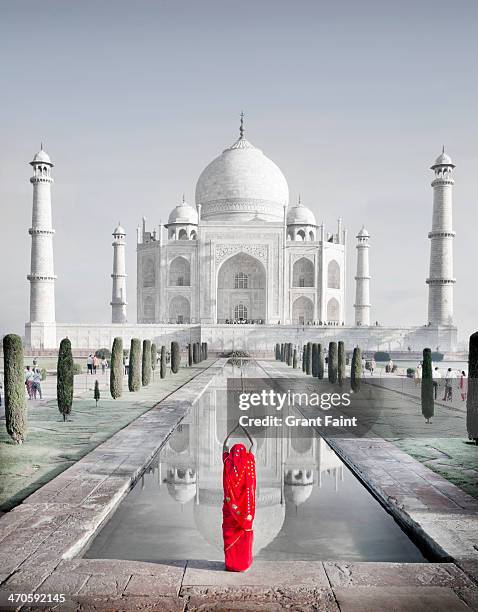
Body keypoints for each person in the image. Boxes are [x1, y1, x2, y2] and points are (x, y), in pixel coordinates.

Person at [222, 429, 256, 573]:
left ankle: (231, 564)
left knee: (229, 536)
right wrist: (246, 430)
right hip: (246, 512)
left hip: (230, 510)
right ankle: (243, 564)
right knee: (244, 536)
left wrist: (232, 432)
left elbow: (225, 446)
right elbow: (254, 445)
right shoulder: (248, 462)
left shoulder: (227, 462)